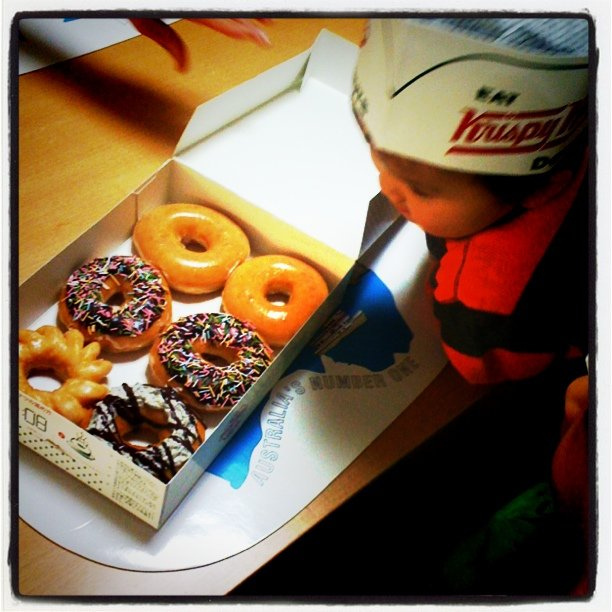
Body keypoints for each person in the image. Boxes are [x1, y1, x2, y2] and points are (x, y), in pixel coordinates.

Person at [349, 17, 593, 596]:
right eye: (377, 153)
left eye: (421, 188)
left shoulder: (491, 302)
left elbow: (481, 366)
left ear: (537, 187)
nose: (386, 186)